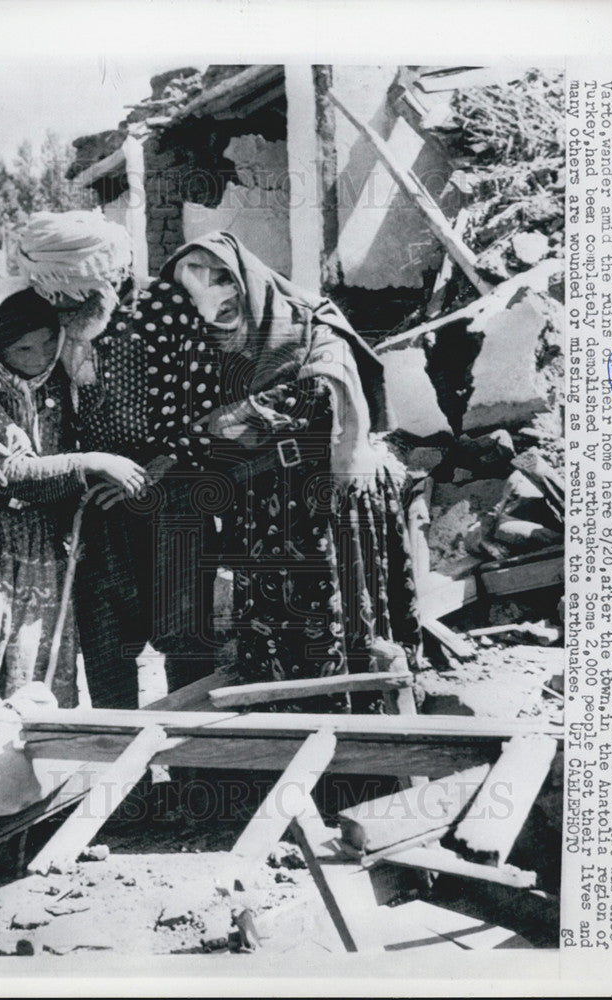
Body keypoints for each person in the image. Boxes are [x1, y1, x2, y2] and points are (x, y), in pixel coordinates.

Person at [0, 212, 219, 709]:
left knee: (186, 644)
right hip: (86, 509)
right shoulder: (37, 310)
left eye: (73, 295)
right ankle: (127, 778)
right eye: (53, 296)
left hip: (171, 502)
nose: (60, 307)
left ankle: (197, 775)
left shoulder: (162, 308)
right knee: (106, 655)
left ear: (108, 278)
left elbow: (207, 405)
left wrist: (158, 468)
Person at [159, 233, 422, 697]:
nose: (215, 302)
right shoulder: (207, 347)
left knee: (337, 628)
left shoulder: (309, 324)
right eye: (195, 291)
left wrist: (221, 423)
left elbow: (317, 398)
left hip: (328, 495)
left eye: (222, 281)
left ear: (247, 277)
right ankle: (284, 736)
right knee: (277, 636)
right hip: (261, 509)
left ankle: (362, 742)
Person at [0, 279, 148, 726]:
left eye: (47, 342)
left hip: (40, 536)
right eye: (24, 350)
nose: (40, 358)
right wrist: (92, 461)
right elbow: (15, 474)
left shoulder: (62, 369)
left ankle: (28, 766)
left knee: (34, 654)